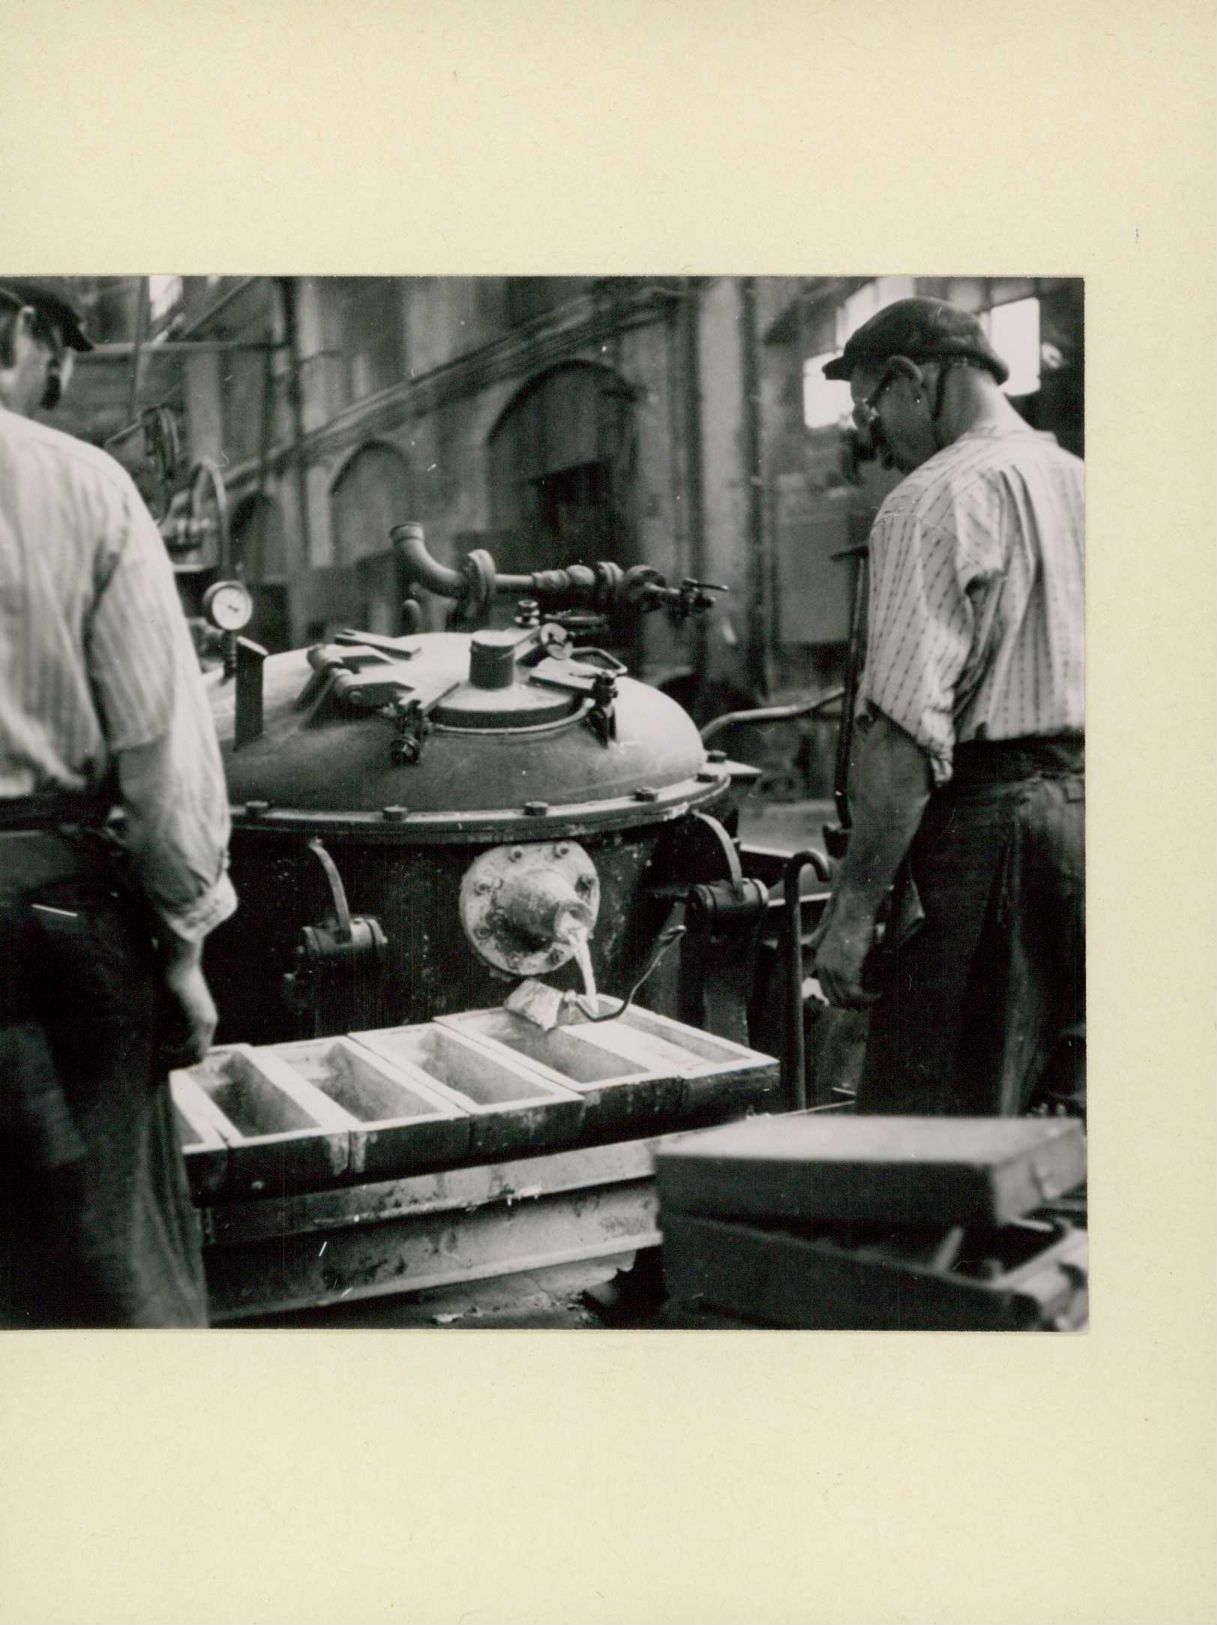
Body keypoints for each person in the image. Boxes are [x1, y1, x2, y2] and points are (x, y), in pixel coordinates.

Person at [1, 277, 236, 1325]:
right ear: (21, 328)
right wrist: (184, 945)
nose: (57, 381)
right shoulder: (84, 486)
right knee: (110, 1258)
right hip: (51, 912)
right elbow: (157, 744)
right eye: (59, 354)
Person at [808, 297, 1084, 1117]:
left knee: (931, 1132)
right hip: (1090, 819)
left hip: (987, 836)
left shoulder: (931, 497)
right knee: (1061, 1113)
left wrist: (851, 914)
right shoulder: (1082, 482)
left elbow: (902, 735)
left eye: (867, 408)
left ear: (909, 380)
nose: (872, 440)